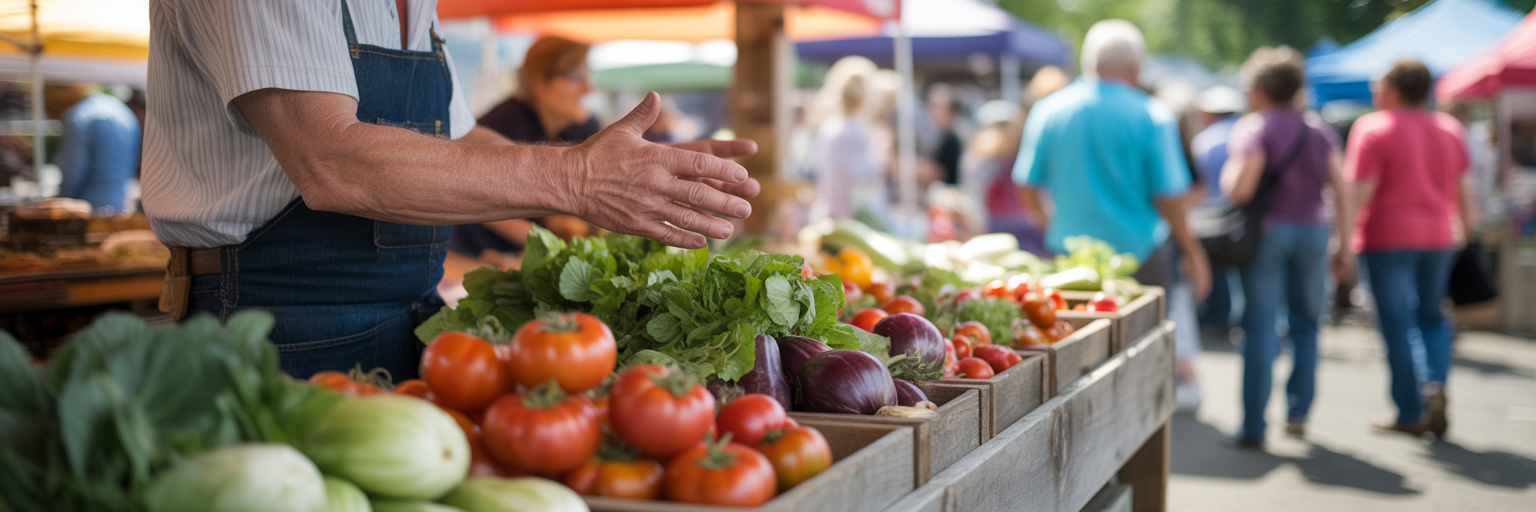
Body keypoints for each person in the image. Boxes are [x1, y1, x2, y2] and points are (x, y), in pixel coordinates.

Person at [141, 0, 760, 380]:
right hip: (278, 319)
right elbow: (328, 160)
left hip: (413, 314)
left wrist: (623, 167)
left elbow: (463, 141)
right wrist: (578, 179)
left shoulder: (417, 5)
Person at [1014, 19, 1211, 298]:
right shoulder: (1153, 116)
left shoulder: (1048, 111)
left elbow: (1026, 186)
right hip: (1139, 258)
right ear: (1135, 67)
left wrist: (1051, 225)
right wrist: (1194, 253)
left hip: (1068, 259)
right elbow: (1170, 199)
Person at [1220, 48, 1350, 447]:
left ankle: (1254, 426)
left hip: (1270, 234)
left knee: (1259, 328)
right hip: (1313, 231)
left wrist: (1228, 173)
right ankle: (1298, 412)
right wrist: (1344, 241)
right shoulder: (1319, 129)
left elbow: (1240, 188)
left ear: (1259, 90)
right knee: (1307, 325)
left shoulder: (1254, 128)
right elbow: (1340, 188)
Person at [1342, 60, 1476, 437]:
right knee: (1432, 317)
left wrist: (1344, 242)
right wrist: (1467, 235)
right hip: (1437, 237)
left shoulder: (1372, 128)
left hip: (1385, 238)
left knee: (1396, 323)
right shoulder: (1450, 129)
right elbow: (1464, 190)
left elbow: (1360, 192)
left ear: (1394, 90)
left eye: (1378, 85)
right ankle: (1435, 383)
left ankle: (1409, 410)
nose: (1373, 92)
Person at [450, 37, 600, 262]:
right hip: (470, 257)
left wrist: (554, 222)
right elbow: (470, 197)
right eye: (575, 76)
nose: (589, 88)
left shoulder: (570, 131)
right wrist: (552, 245)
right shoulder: (504, 126)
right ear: (540, 84)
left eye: (587, 76)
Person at [809, 57, 889, 224]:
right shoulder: (850, 132)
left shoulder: (831, 126)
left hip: (830, 214)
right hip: (846, 219)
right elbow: (864, 178)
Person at [1192, 85, 1245, 332]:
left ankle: (1218, 316)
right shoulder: (1246, 133)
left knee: (1215, 268)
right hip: (1243, 215)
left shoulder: (1205, 140)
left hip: (1208, 214)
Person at [47, 84, 141, 214]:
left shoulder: (78, 116)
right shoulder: (120, 109)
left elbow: (73, 171)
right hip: (120, 203)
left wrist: (59, 203)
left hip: (86, 208)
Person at [926, 82, 963, 186]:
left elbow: (939, 173)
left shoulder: (953, 139)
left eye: (935, 106)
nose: (931, 110)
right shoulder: (942, 136)